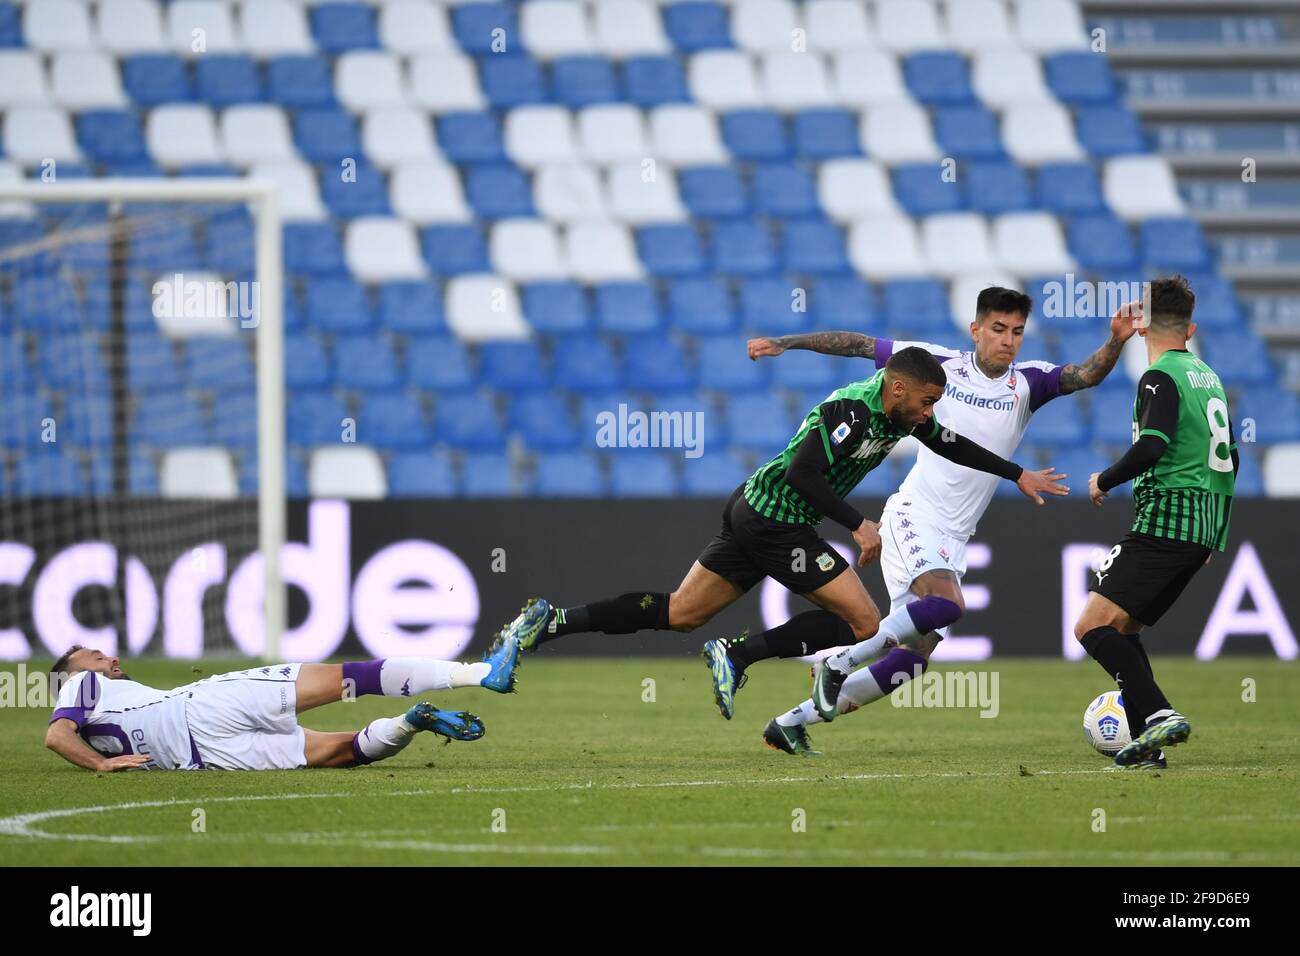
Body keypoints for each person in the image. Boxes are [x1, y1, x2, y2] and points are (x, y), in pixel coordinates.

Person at [489, 346, 1066, 723]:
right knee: (863, 623)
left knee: (681, 612)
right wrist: (858, 524)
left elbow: (947, 443)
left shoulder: (900, 415)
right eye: (924, 402)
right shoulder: (853, 412)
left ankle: (553, 620)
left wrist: (1016, 473)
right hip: (776, 519)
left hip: (754, 510)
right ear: (896, 388)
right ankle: (739, 654)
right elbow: (801, 473)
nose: (927, 414)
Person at [1074, 276, 1236, 770]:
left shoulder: (1159, 377)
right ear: (1191, 328)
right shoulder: (1207, 376)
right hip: (1203, 523)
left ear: (1143, 325)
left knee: (1091, 626)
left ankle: (1161, 712)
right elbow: (1232, 458)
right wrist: (1216, 534)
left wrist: (1105, 479)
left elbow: (1153, 445)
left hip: (1167, 518)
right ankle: (1149, 743)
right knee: (1123, 627)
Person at [44, 638, 521, 772]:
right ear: (75, 671)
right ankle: (480, 674)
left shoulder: (100, 723)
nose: (110, 658)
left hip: (206, 758)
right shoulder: (80, 685)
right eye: (96, 655)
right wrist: (99, 768)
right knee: (348, 680)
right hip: (205, 706)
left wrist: (98, 762)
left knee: (339, 752)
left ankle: (409, 724)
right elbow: (54, 734)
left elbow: (67, 736)